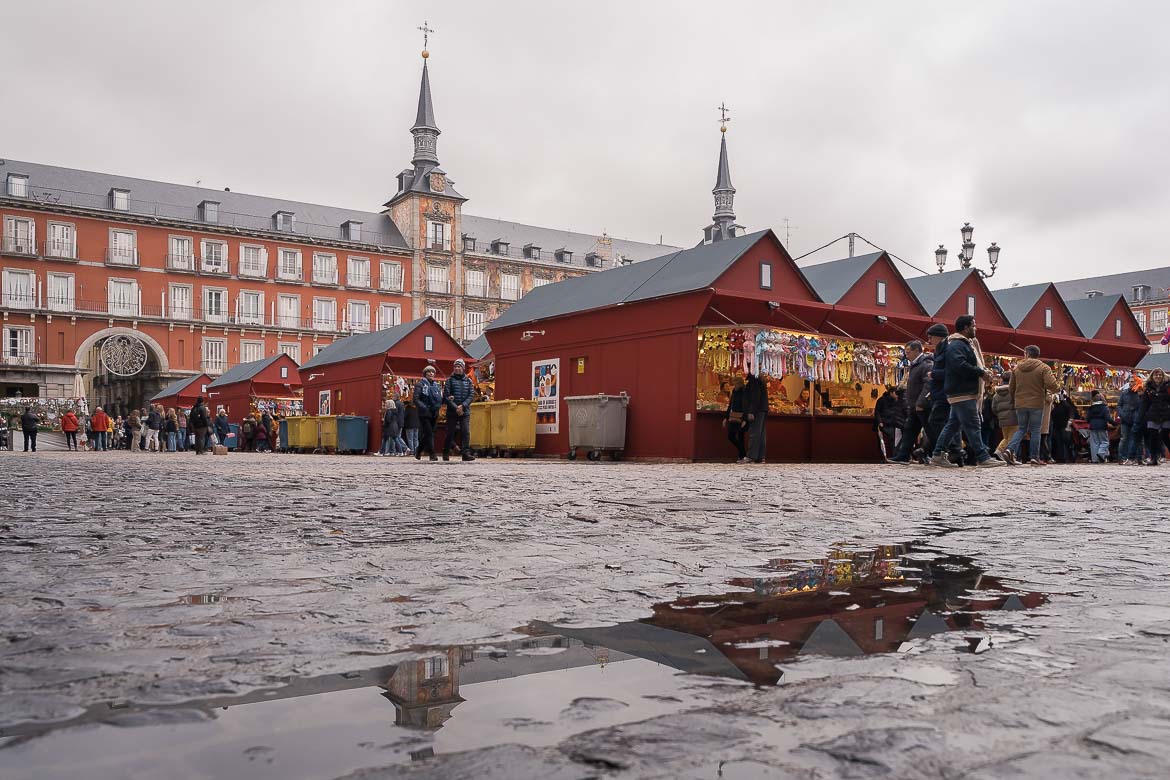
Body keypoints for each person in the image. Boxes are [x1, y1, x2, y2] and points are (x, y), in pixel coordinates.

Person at [928, 315, 1004, 468]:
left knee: (953, 425)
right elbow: (959, 364)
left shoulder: (963, 344)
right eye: (973, 326)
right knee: (973, 424)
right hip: (962, 391)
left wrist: (981, 371)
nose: (976, 328)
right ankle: (983, 457)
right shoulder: (957, 344)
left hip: (961, 391)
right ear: (965, 327)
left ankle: (937, 454)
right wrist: (980, 372)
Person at [1006, 345, 1060, 465]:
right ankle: (1034, 457)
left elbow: (1011, 388)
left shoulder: (1017, 368)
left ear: (1026, 354)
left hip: (1020, 403)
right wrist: (1055, 388)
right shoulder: (1043, 368)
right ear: (1037, 354)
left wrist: (1016, 398)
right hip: (1036, 403)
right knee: (1035, 430)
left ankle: (1010, 449)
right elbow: (1052, 384)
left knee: (1021, 429)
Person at [923, 323, 963, 465]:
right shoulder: (939, 350)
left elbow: (951, 372)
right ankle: (955, 450)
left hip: (945, 392)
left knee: (937, 421)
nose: (929, 340)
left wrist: (933, 374)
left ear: (938, 336)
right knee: (950, 423)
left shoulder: (947, 350)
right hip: (939, 392)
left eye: (931, 336)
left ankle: (953, 449)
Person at [890, 341, 933, 464]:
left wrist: (921, 402)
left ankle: (939, 452)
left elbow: (928, 384)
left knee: (930, 430)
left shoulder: (926, 364)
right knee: (910, 430)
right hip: (914, 405)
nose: (906, 355)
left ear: (916, 350)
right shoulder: (915, 364)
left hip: (922, 405)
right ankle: (903, 455)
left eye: (908, 352)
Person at [443, 358, 476, 462]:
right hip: (452, 411)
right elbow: (446, 396)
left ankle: (466, 453)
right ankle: (446, 451)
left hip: (464, 411)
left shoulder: (469, 381)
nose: (457, 368)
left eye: (459, 366)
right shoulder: (449, 380)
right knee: (450, 432)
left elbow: (471, 395)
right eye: (456, 366)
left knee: (465, 431)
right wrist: (456, 407)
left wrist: (463, 406)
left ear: (463, 368)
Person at [1141, 367, 1170, 465]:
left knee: (1165, 436)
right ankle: (1154, 458)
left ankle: (1161, 455)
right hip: (1153, 414)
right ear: (1152, 376)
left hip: (1166, 414)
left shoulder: (1168, 387)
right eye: (1156, 375)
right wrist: (1141, 417)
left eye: (1160, 375)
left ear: (1163, 376)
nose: (1158, 376)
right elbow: (1144, 404)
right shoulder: (1148, 389)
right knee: (1152, 436)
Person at [413, 365, 443, 461]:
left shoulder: (436, 385)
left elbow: (439, 399)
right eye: (429, 372)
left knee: (428, 434)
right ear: (425, 373)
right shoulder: (420, 384)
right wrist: (424, 408)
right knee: (429, 433)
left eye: (432, 372)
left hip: (434, 412)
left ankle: (419, 450)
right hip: (424, 413)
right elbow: (416, 399)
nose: (431, 373)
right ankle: (432, 454)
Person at [990, 371, 1017, 463]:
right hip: (1014, 418)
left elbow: (993, 408)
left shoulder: (996, 393)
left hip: (1002, 419)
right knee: (1012, 439)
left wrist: (1000, 415)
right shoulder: (1014, 392)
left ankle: (1011, 457)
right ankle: (999, 451)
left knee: (1006, 438)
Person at [1118, 375, 1144, 465]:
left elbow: (1143, 406)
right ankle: (1122, 458)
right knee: (1124, 439)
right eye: (1130, 381)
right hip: (1125, 419)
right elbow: (1119, 405)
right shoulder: (1124, 393)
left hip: (1136, 419)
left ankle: (1138, 458)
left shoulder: (1140, 394)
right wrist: (1121, 414)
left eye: (1133, 381)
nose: (1130, 383)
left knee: (1138, 439)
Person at [744, 370, 769, 463]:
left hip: (757, 410)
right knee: (761, 434)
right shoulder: (760, 380)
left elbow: (755, 397)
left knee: (754, 433)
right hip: (762, 409)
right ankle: (760, 456)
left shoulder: (754, 380)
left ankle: (751, 456)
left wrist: (751, 411)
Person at [723, 375, 748, 462]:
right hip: (733, 416)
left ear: (739, 384)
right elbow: (731, 404)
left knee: (741, 437)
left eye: (735, 384)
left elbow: (745, 405)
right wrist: (726, 417)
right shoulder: (734, 391)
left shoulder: (744, 392)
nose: (734, 385)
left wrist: (745, 419)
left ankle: (742, 456)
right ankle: (742, 453)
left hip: (741, 417)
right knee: (731, 436)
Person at [1084, 390, 1114, 463]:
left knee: (1094, 443)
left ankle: (1095, 459)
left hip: (1093, 427)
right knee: (1105, 442)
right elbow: (1108, 418)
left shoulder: (1091, 408)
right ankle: (1101, 453)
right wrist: (1114, 423)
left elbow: (1087, 418)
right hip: (1102, 426)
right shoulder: (1104, 408)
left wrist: (1091, 422)